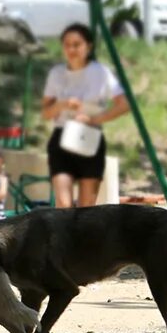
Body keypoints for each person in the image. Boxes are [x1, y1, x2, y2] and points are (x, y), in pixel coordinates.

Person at [42, 23, 130, 207]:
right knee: (63, 205)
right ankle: (65, 235)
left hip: (90, 136)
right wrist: (63, 104)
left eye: (77, 44)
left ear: (88, 46)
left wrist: (94, 119)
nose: (72, 49)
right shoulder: (56, 74)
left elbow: (123, 104)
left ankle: (83, 236)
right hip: (61, 138)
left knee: (87, 208)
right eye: (67, 45)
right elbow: (46, 112)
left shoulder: (100, 72)